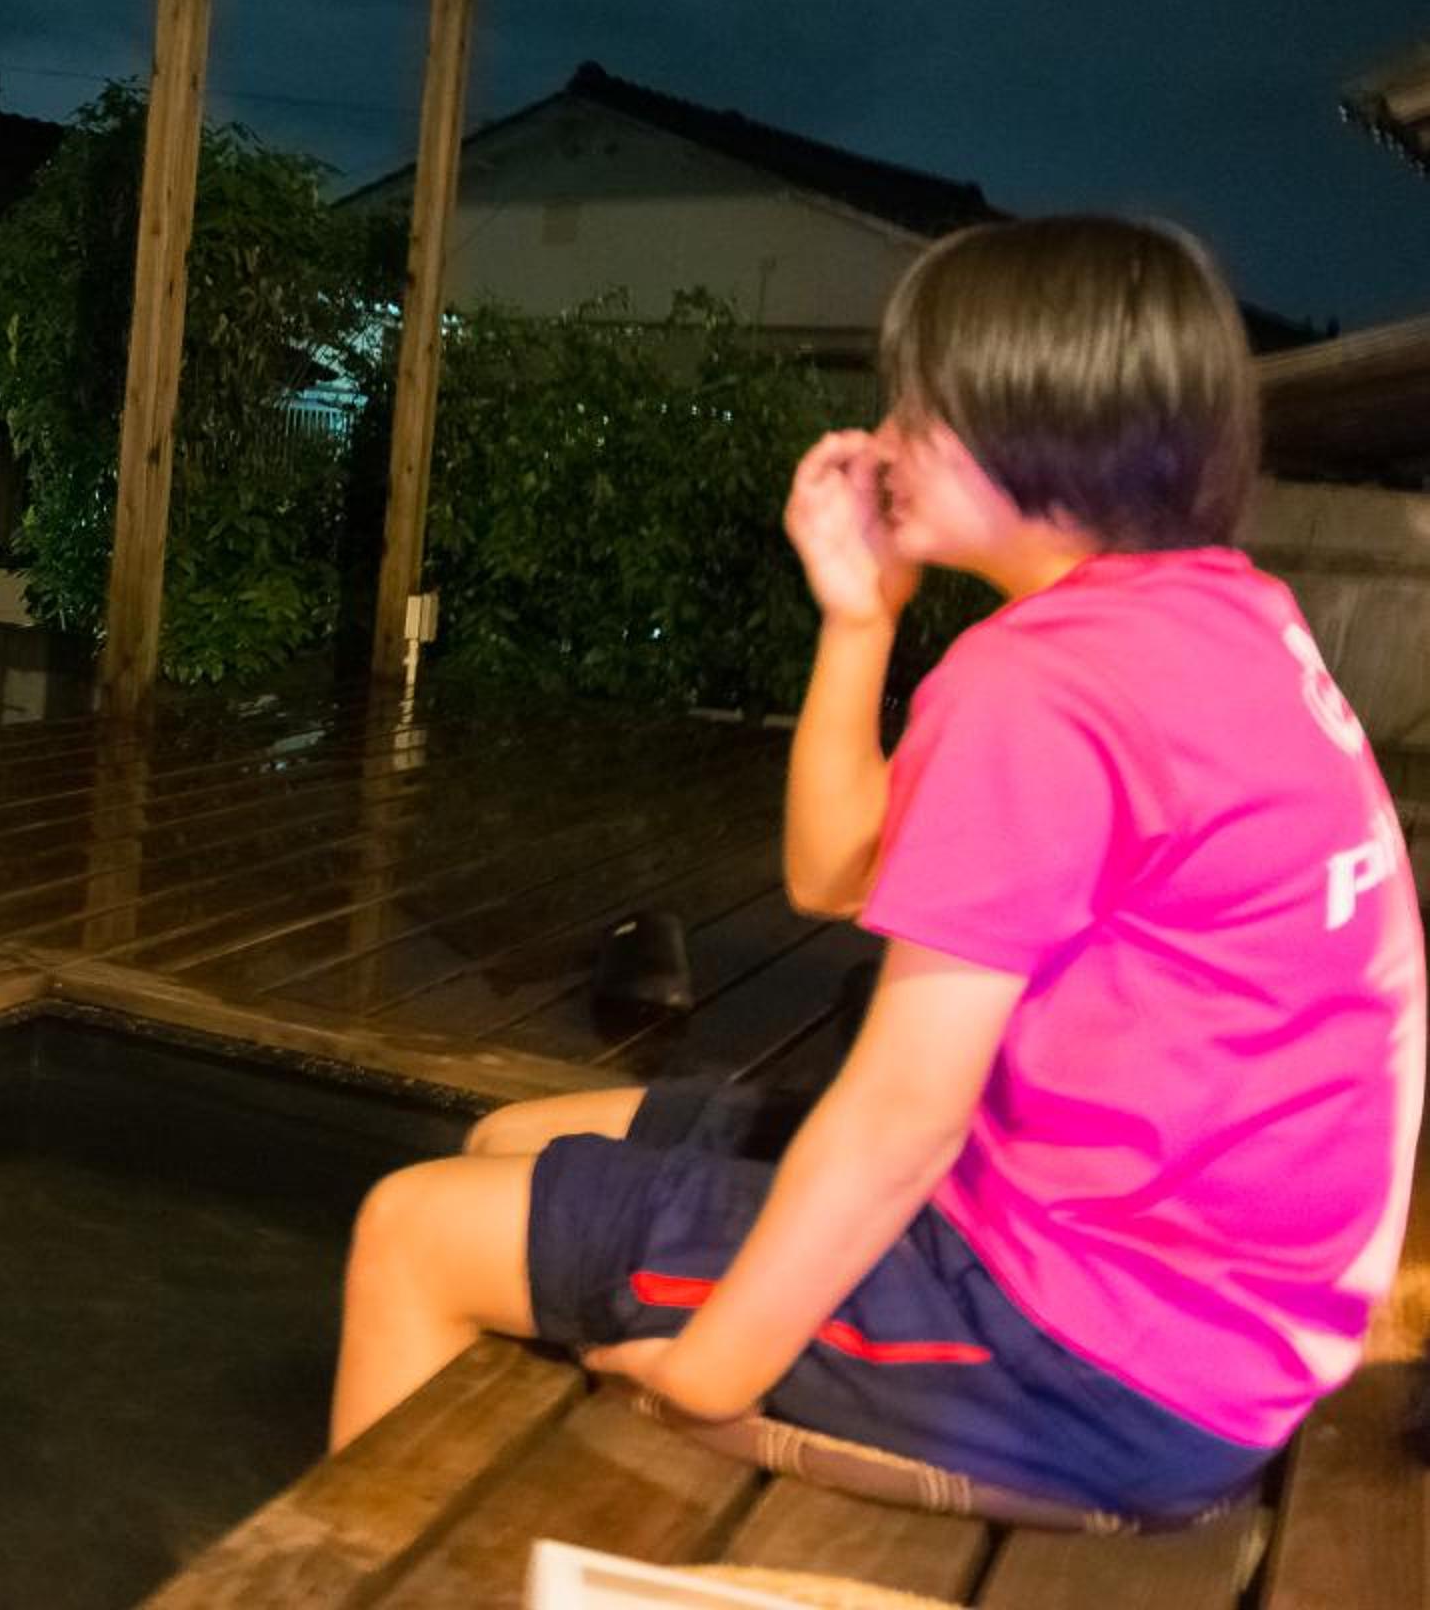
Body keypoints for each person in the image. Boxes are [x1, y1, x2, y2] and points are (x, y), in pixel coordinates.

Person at [329, 217, 1425, 1521]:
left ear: (1033, 419)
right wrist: (861, 615)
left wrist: (712, 1370)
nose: (884, 439)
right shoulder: (1215, 617)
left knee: (414, 1229)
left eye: (919, 404)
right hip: (1212, 1316)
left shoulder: (1045, 682)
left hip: (1096, 1353)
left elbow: (905, 1115)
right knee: (515, 1141)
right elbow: (835, 874)